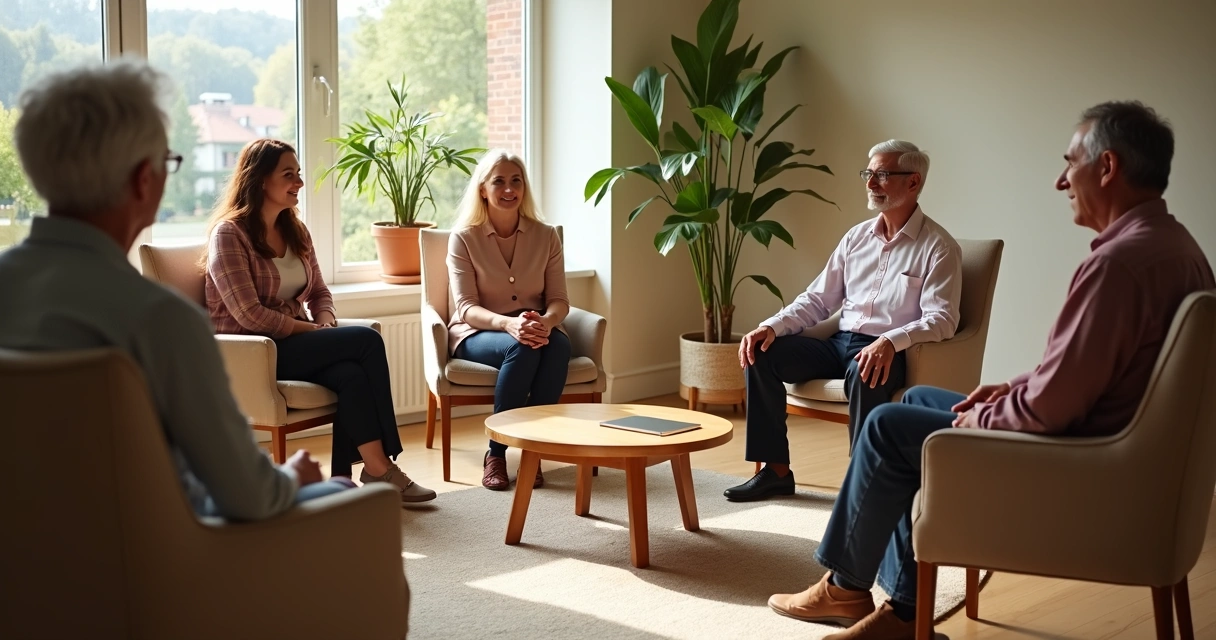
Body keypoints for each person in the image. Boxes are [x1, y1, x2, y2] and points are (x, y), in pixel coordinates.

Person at [767, 101, 1215, 639]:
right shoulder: (1177, 248)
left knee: (886, 428)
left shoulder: (1117, 265)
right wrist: (1013, 387)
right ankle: (903, 611)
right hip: (1111, 439)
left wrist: (994, 411)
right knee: (913, 403)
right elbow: (1088, 372)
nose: (1060, 180)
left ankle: (849, 587)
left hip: (1080, 457)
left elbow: (1052, 408)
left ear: (1108, 167)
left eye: (1069, 162)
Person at [0, 59, 354, 520]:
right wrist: (293, 476)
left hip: (25, 559)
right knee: (346, 491)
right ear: (144, 179)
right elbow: (248, 495)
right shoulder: (160, 320)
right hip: (160, 550)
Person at [727, 140, 963, 502]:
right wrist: (771, 326)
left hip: (887, 353)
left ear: (913, 182)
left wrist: (889, 341)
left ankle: (862, 487)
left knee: (866, 369)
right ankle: (774, 471)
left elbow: (943, 319)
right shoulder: (856, 238)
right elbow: (819, 299)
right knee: (763, 352)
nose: (870, 183)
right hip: (839, 343)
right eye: (868, 173)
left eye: (881, 175)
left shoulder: (938, 247)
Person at [202, 138, 436, 504]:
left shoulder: (295, 230)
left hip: (295, 343)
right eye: (288, 174)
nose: (299, 182)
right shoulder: (229, 234)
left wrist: (325, 320)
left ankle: (361, 477)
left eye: (298, 173)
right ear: (261, 179)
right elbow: (248, 314)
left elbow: (320, 292)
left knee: (351, 375)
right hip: (253, 352)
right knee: (366, 341)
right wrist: (311, 330)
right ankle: (385, 462)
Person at [447, 149, 571, 490]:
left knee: (558, 346)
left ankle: (533, 449)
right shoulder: (463, 238)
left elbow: (560, 300)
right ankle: (496, 453)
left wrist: (546, 322)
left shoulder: (546, 236)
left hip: (533, 325)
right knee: (524, 349)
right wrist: (508, 324)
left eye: (516, 181)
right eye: (498, 181)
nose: (508, 189)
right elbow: (466, 307)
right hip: (478, 331)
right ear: (483, 189)